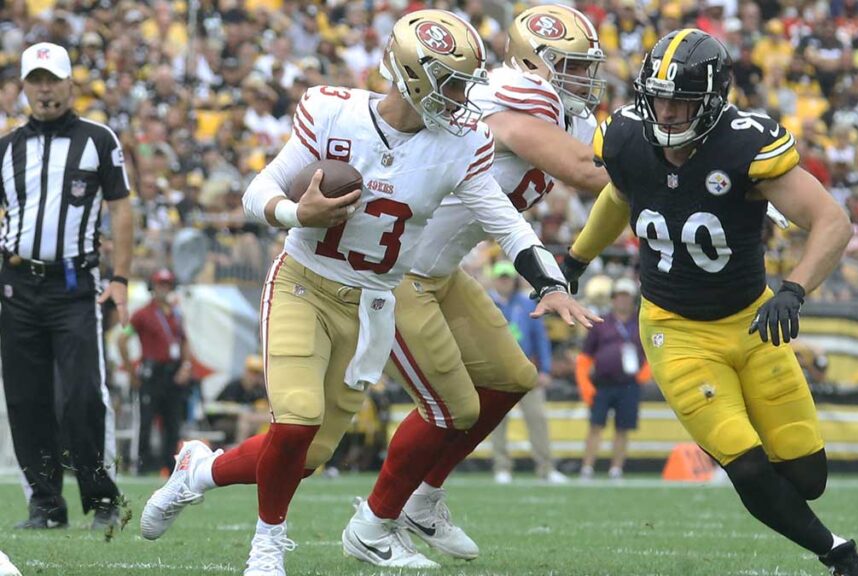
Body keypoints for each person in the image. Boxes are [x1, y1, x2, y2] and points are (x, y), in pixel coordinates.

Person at [139, 10, 594, 575]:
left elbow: (505, 221)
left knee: (311, 453)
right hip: (305, 283)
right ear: (412, 75)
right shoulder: (332, 110)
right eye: (451, 82)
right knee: (298, 419)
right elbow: (258, 189)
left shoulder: (459, 145)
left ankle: (197, 473)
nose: (462, 97)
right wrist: (294, 211)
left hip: (374, 300)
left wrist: (549, 278)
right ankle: (267, 546)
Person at [560, 29, 858, 576]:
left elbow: (832, 221)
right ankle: (837, 553)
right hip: (674, 329)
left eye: (680, 100)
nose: (666, 111)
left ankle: (791, 498)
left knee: (807, 477)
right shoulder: (628, 138)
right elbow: (619, 194)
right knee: (744, 461)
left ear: (711, 100)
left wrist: (794, 289)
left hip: (751, 322)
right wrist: (574, 262)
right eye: (657, 97)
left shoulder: (744, 143)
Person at [344, 4, 607, 567]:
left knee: (513, 376)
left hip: (443, 271)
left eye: (588, 66)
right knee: (448, 407)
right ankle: (373, 522)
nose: (585, 78)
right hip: (398, 272)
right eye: (572, 66)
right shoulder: (511, 100)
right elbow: (591, 173)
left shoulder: (572, 115)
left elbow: (606, 166)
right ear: (533, 63)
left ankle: (423, 498)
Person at [0, 42, 131, 531]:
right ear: (23, 88)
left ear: (70, 84)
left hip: (76, 285)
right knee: (25, 399)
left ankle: (102, 499)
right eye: (35, 80)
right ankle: (45, 505)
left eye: (52, 79)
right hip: (16, 284)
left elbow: (121, 208)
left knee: (81, 396)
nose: (44, 89)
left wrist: (120, 277)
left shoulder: (98, 139)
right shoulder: (8, 147)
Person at [488, 260, 566, 485]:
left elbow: (540, 338)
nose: (504, 282)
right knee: (497, 423)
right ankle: (501, 467)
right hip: (498, 372)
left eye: (507, 278)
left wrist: (546, 369)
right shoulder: (486, 304)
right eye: (501, 278)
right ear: (495, 280)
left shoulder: (527, 303)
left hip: (526, 369)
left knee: (538, 419)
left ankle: (546, 467)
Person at [118, 269, 191, 474]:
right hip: (152, 373)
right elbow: (122, 340)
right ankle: (141, 464)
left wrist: (186, 366)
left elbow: (184, 341)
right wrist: (132, 373)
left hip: (173, 374)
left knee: (173, 423)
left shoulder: (176, 314)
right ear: (153, 287)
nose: (163, 289)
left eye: (167, 285)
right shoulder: (142, 314)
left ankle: (169, 466)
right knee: (146, 421)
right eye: (160, 284)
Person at [576, 276, 649, 480]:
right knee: (595, 426)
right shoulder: (601, 322)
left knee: (623, 428)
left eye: (626, 297)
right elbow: (585, 356)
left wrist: (645, 374)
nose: (623, 301)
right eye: (619, 296)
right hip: (603, 382)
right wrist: (585, 383)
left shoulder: (641, 323)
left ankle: (616, 468)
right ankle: (587, 467)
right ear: (613, 299)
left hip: (629, 384)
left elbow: (651, 351)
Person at [213, 355, 271, 446]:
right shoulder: (234, 386)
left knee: (252, 421)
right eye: (251, 371)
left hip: (251, 422)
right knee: (244, 420)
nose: (254, 376)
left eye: (257, 373)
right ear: (245, 371)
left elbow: (266, 410)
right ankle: (239, 448)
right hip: (228, 421)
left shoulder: (261, 390)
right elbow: (217, 406)